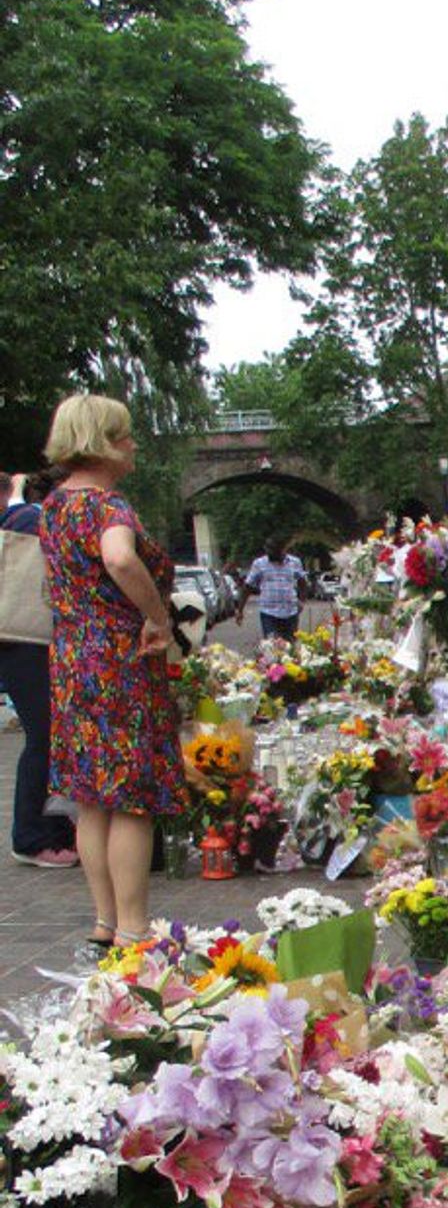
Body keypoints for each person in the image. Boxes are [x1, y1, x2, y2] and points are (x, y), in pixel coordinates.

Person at [38, 394, 186, 947]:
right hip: (121, 660)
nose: (133, 446)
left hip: (73, 660)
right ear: (103, 442)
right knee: (132, 797)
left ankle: (104, 921)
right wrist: (157, 617)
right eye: (125, 436)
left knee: (92, 797)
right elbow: (120, 557)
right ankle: (134, 928)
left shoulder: (53, 506)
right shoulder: (108, 506)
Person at [0, 472, 78, 867]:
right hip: (26, 643)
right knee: (43, 737)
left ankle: (45, 827)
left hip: (23, 644)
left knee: (46, 737)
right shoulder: (27, 519)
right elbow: (17, 523)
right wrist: (17, 496)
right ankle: (30, 836)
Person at [241, 539, 307, 639]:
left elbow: (302, 582)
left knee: (291, 647)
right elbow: (248, 586)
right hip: (269, 613)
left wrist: (302, 601)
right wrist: (240, 609)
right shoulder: (259, 564)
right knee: (272, 647)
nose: (271, 555)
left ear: (283, 550)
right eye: (269, 552)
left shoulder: (295, 562)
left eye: (274, 552)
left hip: (291, 613)